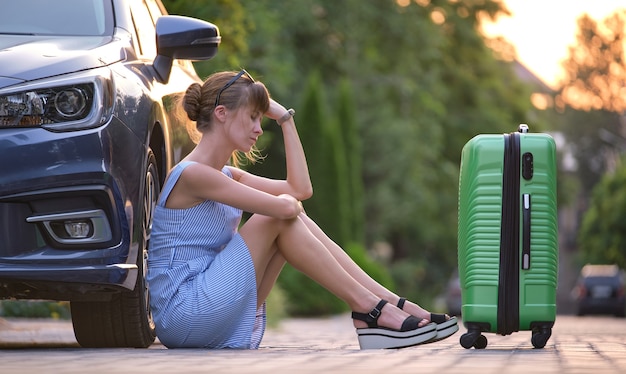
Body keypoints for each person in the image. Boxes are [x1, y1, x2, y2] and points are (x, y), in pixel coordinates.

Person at [146, 69, 458, 350]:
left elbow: (300, 190)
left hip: (209, 305)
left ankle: (384, 303)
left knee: (288, 219)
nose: (258, 128)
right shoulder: (193, 174)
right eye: (252, 117)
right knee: (278, 217)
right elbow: (285, 208)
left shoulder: (227, 175)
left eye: (261, 117)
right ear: (221, 114)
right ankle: (372, 308)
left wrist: (285, 119)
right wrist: (289, 207)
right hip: (185, 311)